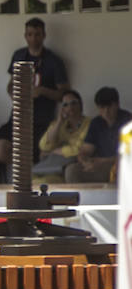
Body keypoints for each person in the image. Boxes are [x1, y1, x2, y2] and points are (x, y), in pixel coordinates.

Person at [7, 17, 69, 145]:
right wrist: (13, 94)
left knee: (38, 155)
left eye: (37, 34)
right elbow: (11, 83)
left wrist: (42, 91)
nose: (33, 38)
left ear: (44, 36)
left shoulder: (54, 61)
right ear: (25, 36)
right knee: (0, 149)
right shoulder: (19, 56)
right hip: (20, 116)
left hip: (43, 119)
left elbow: (64, 94)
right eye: (30, 34)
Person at [68, 86, 132, 183]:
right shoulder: (96, 123)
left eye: (109, 107)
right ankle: (85, 198)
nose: (106, 111)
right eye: (102, 107)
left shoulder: (128, 120)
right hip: (99, 168)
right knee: (71, 171)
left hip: (121, 166)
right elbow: (86, 150)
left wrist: (102, 162)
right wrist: (85, 161)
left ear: (117, 105)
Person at [32, 89, 90, 184]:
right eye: (65, 105)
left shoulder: (89, 123)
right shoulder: (59, 124)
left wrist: (54, 151)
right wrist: (59, 122)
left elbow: (78, 149)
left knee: (43, 182)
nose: (70, 107)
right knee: (28, 178)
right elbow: (44, 146)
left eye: (73, 103)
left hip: (72, 167)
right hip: (53, 166)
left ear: (80, 105)